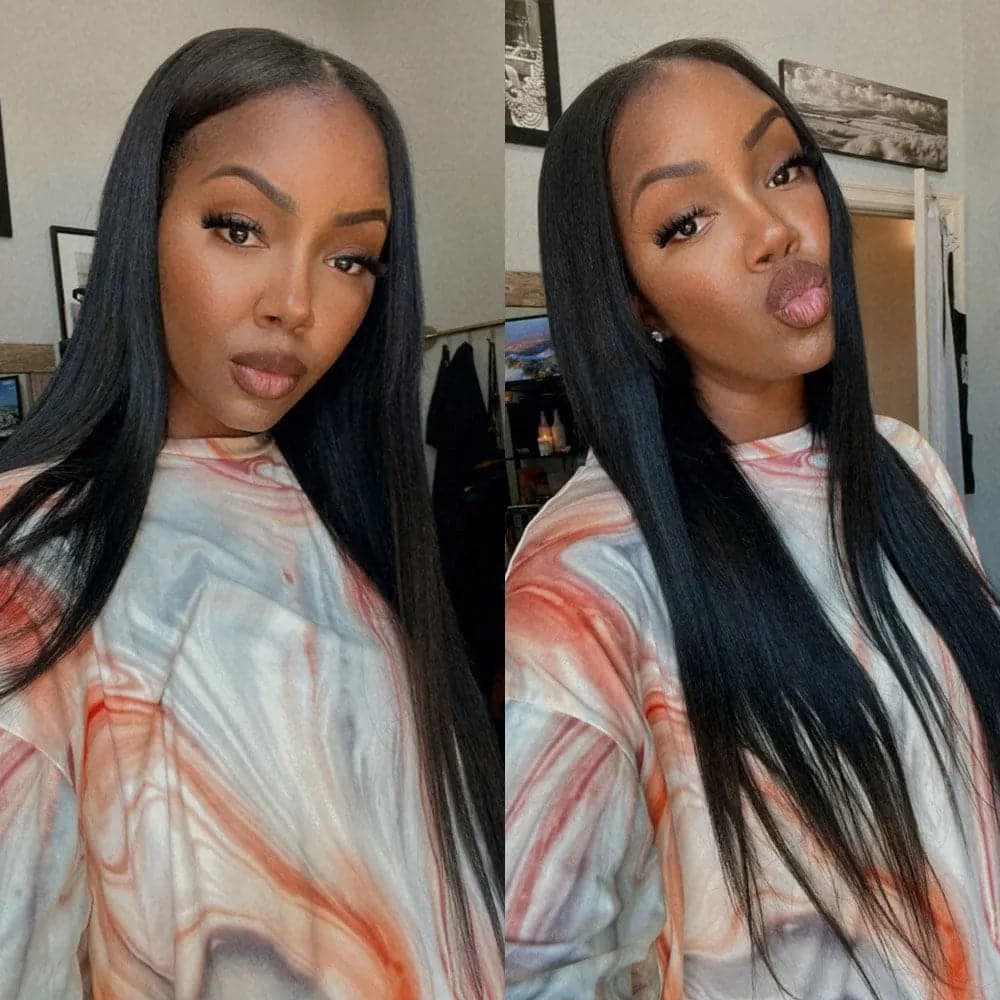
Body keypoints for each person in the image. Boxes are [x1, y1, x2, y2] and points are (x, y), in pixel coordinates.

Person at [0, 27, 501, 999]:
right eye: (238, 227)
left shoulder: (356, 517)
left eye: (350, 258)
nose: (294, 303)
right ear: (143, 225)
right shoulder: (39, 552)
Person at [505, 37, 1000, 999]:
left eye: (783, 168)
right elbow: (538, 963)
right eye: (687, 219)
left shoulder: (906, 463)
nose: (773, 228)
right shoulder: (586, 574)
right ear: (633, 298)